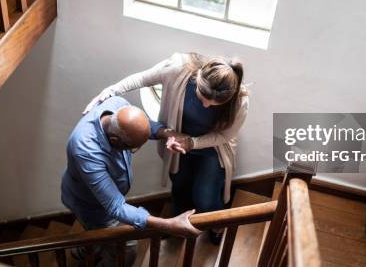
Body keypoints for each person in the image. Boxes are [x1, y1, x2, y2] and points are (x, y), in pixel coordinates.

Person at [84, 53, 248, 244]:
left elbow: (224, 136)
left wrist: (193, 142)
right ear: (198, 78)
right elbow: (142, 78)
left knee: (206, 195)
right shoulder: (178, 68)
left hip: (213, 147)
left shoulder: (240, 101)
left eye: (214, 104)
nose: (205, 105)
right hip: (179, 142)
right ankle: (178, 224)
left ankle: (217, 225)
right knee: (179, 185)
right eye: (202, 97)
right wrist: (111, 91)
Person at [61, 96, 200, 267]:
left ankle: (83, 250)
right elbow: (115, 206)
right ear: (114, 139)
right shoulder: (85, 149)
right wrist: (168, 224)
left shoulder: (118, 105)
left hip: (99, 198)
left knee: (95, 234)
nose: (133, 152)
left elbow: (143, 127)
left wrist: (168, 133)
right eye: (132, 148)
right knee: (127, 251)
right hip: (92, 206)